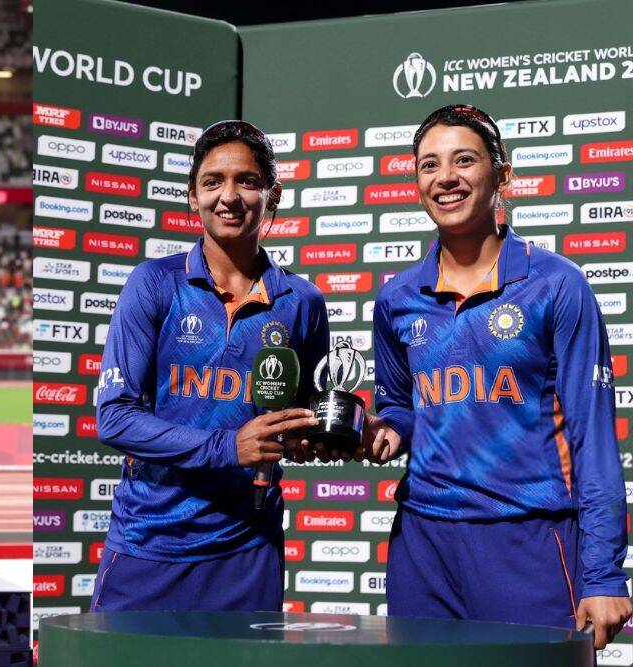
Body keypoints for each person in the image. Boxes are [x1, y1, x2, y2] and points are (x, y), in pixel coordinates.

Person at [363, 103, 631, 647]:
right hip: (422, 547)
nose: (445, 178)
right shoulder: (397, 297)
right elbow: (401, 407)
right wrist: (388, 430)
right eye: (428, 165)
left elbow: (593, 440)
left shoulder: (556, 285)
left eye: (464, 160)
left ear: (501, 175)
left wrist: (603, 572)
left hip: (528, 540)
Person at [91, 120, 330, 611]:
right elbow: (115, 417)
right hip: (150, 542)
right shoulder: (154, 283)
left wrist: (317, 435)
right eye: (213, 181)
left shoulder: (302, 302)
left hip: (248, 547)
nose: (230, 196)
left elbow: (296, 415)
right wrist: (229, 446)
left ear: (273, 196)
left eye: (247, 180)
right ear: (192, 197)